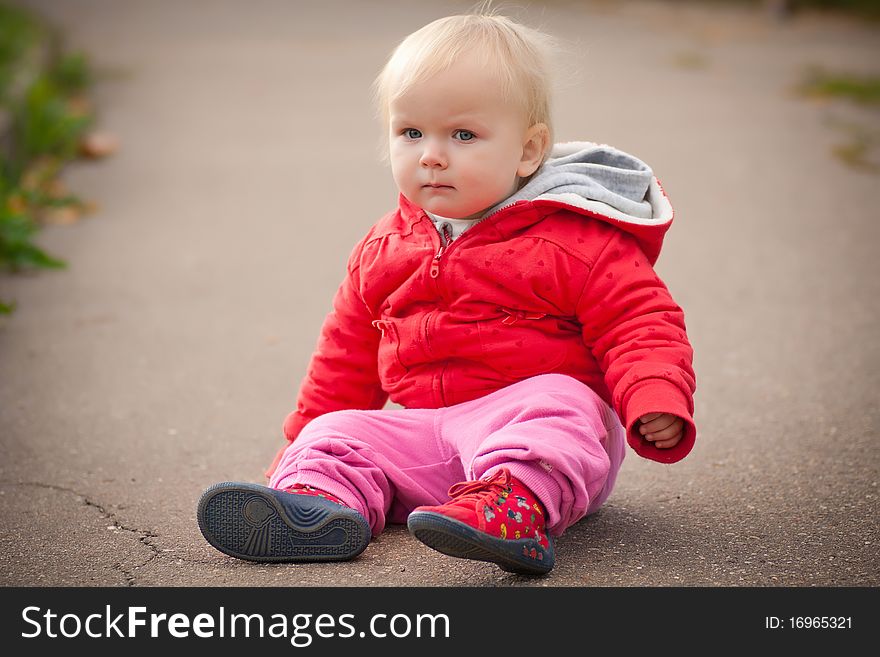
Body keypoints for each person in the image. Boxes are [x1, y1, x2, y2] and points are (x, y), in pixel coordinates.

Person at [197, 9, 696, 576]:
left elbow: (640, 320)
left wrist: (654, 394)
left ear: (529, 151)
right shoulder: (386, 247)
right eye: (411, 133)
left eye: (463, 135)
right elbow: (345, 356)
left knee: (561, 397)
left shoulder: (574, 240)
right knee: (334, 430)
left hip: (543, 442)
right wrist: (298, 449)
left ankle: (512, 506)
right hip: (429, 439)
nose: (431, 154)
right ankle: (320, 503)